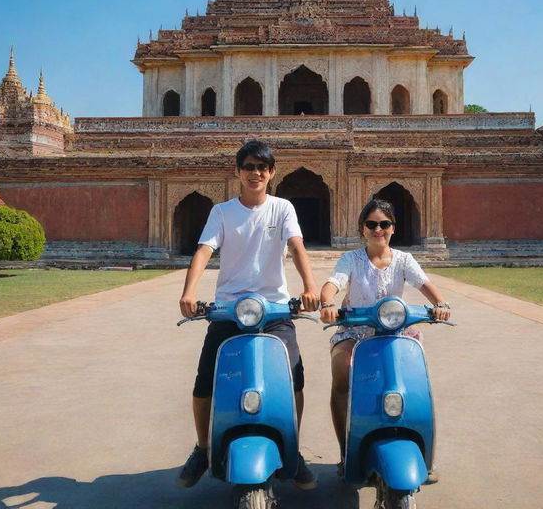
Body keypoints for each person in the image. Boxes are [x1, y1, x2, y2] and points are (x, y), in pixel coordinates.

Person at [177, 140, 320, 490]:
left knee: (294, 378)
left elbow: (297, 246)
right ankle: (202, 447)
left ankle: (294, 449)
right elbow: (203, 251)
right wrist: (189, 292)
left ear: (271, 173)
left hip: (273, 308)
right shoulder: (222, 212)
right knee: (204, 379)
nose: (255, 173)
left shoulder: (282, 208)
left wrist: (310, 286)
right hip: (229, 309)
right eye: (249, 167)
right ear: (238, 171)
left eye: (262, 167)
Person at [319, 198, 451, 476]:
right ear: (362, 228)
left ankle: (423, 449)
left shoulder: (404, 260)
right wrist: (328, 303)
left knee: (416, 378)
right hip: (355, 328)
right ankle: (346, 450)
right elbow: (335, 282)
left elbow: (423, 282)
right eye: (372, 224)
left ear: (393, 227)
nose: (378, 229)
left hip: (395, 330)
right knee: (342, 374)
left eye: (384, 224)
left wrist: (441, 304)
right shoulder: (351, 259)